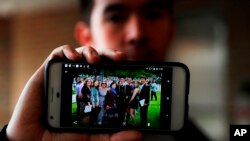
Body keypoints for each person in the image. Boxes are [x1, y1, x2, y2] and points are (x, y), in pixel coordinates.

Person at [1, 0, 210, 140]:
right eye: (116, 17)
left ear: (171, 31)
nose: (136, 33)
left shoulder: (192, 136)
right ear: (85, 36)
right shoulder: (49, 130)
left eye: (153, 14)